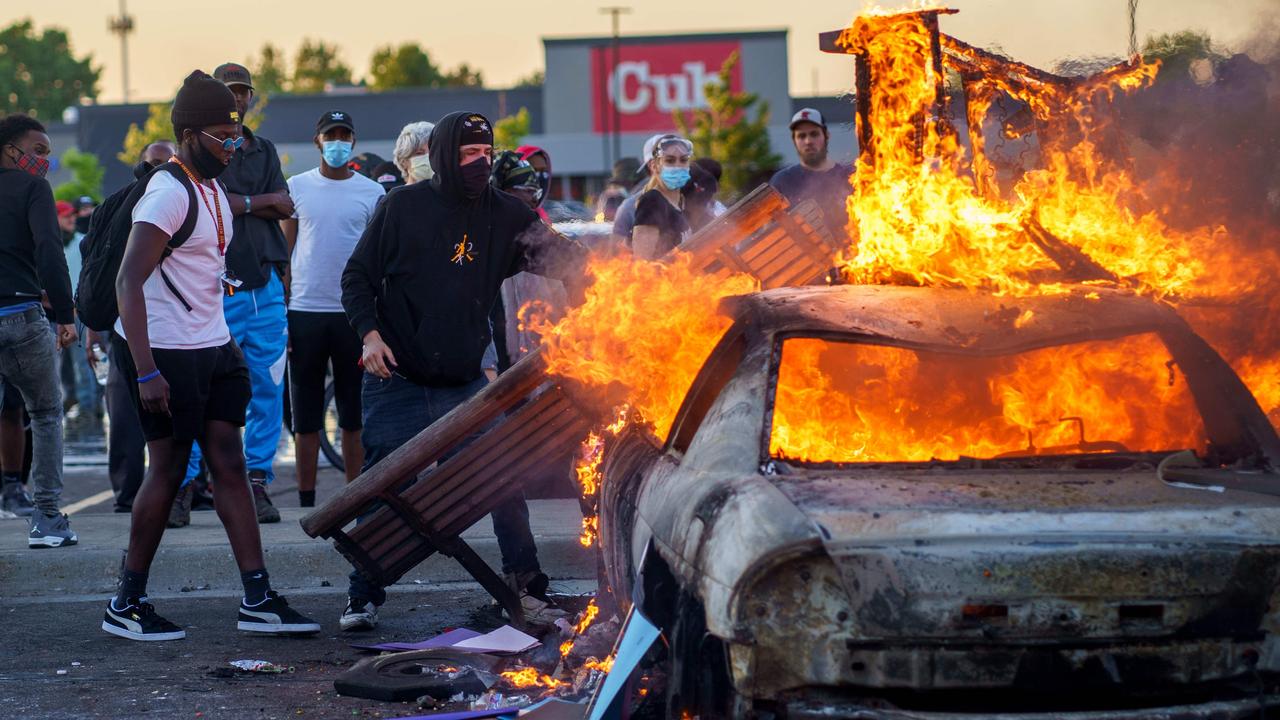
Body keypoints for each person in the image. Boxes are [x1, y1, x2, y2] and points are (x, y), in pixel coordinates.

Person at [338, 110, 586, 631]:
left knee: (503, 479)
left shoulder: (506, 215)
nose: (479, 164)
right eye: (469, 155)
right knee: (380, 487)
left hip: (465, 384)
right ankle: (363, 592)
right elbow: (356, 277)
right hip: (396, 380)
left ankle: (526, 584)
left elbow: (573, 262)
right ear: (443, 157)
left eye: (486, 154)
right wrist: (370, 335)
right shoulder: (401, 207)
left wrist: (586, 312)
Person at [105, 70, 319, 641]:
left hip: (213, 345)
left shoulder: (214, 191)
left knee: (229, 461)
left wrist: (223, 339)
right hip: (164, 353)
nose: (233, 145)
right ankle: (126, 602)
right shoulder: (168, 191)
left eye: (237, 133)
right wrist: (146, 370)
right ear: (190, 133)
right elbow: (128, 282)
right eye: (223, 136)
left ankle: (258, 597)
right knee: (170, 469)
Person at [176, 62, 296, 526]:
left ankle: (258, 483)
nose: (238, 100)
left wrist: (245, 203)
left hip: (264, 285)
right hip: (215, 287)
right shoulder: (199, 154)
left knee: (267, 387)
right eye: (229, 92)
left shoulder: (263, 149)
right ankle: (185, 484)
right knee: (199, 390)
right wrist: (255, 203)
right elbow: (212, 201)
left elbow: (284, 204)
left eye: (243, 92)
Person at [282, 110, 384, 507]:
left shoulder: (371, 193)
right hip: (305, 311)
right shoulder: (298, 187)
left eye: (344, 135)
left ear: (353, 143)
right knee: (305, 412)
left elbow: (376, 259)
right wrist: (285, 309)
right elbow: (286, 251)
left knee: (353, 412)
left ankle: (353, 497)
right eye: (331, 135)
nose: (338, 142)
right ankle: (306, 498)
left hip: (352, 315)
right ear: (318, 141)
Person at [85, 141, 177, 513]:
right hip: (125, 330)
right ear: (139, 167)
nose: (160, 169)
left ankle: (185, 491)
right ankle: (127, 496)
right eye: (152, 163)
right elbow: (96, 272)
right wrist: (93, 330)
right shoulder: (118, 208)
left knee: (182, 420)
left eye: (167, 162)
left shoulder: (185, 200)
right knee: (124, 418)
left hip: (175, 328)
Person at [0, 113, 79, 542]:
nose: (45, 161)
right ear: (11, 149)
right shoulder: (33, 189)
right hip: (22, 317)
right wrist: (65, 315)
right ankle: (46, 519)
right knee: (46, 414)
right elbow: (49, 249)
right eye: (39, 151)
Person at [769, 108, 853, 236]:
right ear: (794, 140)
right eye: (801, 136)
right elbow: (770, 232)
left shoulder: (850, 177)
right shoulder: (782, 181)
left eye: (814, 134)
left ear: (826, 135)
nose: (808, 141)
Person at [632, 135, 696, 260]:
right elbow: (642, 262)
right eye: (670, 161)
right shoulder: (652, 202)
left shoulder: (681, 203)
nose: (678, 166)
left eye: (683, 160)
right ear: (654, 166)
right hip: (662, 279)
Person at [611, 134, 666, 244]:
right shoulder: (629, 206)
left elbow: (614, 251)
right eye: (669, 161)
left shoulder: (628, 207)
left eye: (682, 160)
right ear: (652, 165)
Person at [515, 146, 553, 222]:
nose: (539, 176)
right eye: (533, 170)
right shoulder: (505, 212)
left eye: (543, 171)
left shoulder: (542, 215)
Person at [393, 121, 435, 186]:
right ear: (403, 162)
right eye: (419, 153)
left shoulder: (451, 194)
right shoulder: (398, 195)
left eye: (433, 152)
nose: (428, 157)